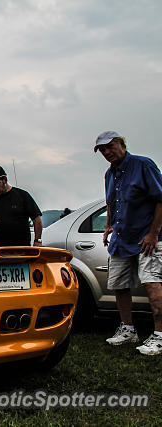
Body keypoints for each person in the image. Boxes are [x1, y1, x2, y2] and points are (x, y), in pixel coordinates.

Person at [95, 131, 162, 355]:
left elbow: (160, 200)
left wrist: (154, 233)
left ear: (121, 144)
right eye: (102, 150)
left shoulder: (143, 165)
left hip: (146, 239)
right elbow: (111, 202)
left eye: (110, 147)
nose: (106, 152)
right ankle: (128, 329)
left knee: (152, 285)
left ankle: (160, 335)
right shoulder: (109, 174)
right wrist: (108, 226)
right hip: (121, 240)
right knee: (119, 285)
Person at [0, 165, 43, 246]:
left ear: (5, 180)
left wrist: (37, 241)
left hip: (22, 248)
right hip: (0, 249)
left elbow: (37, 220)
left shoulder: (22, 196)